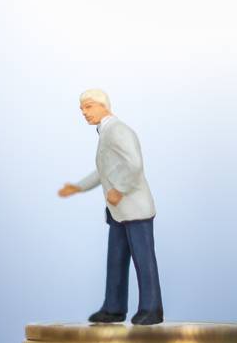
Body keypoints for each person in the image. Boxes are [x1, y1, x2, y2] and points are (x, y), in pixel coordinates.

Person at [58, 88, 163, 326]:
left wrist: (120, 189)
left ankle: (152, 307)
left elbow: (135, 165)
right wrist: (78, 187)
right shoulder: (105, 132)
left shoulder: (118, 130)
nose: (84, 112)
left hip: (135, 208)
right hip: (118, 211)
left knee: (143, 259)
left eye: (88, 106)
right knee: (115, 259)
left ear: (103, 105)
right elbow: (103, 171)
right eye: (81, 108)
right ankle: (114, 307)